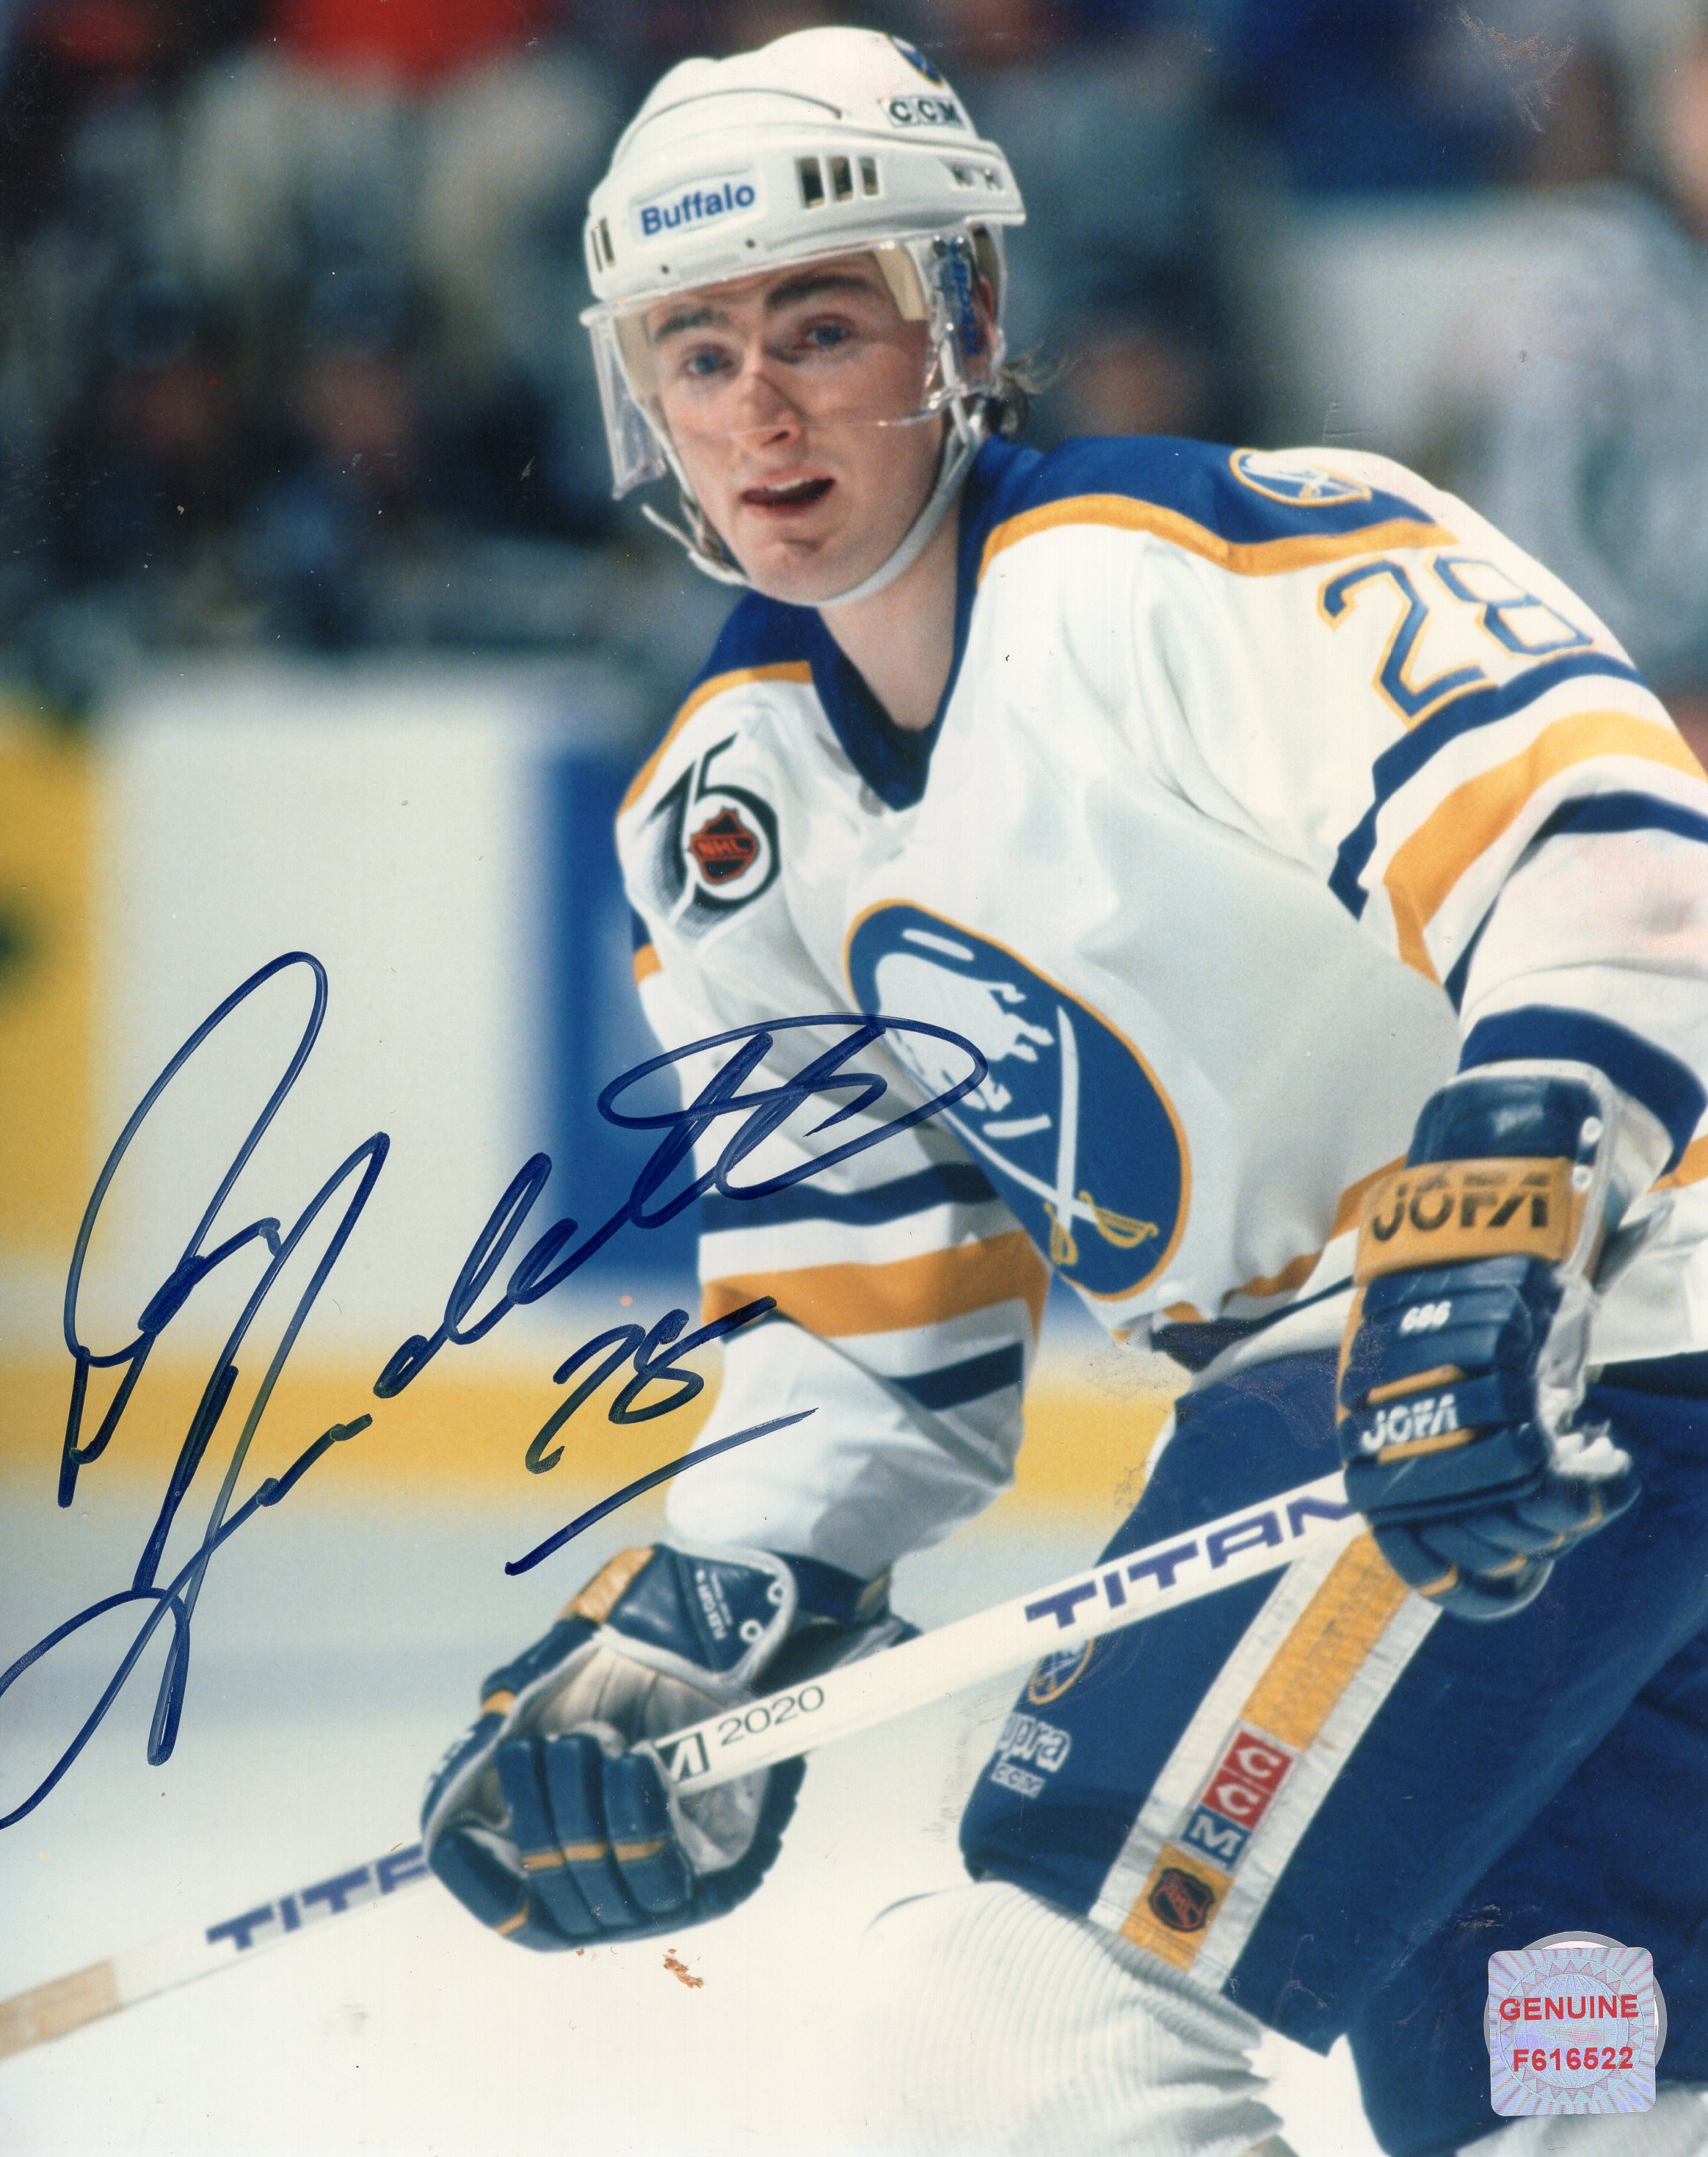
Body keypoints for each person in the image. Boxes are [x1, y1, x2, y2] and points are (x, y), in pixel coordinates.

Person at [421, 29, 1708, 2157]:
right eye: (698, 353)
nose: (761, 411)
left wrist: (1505, 1211)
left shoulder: (1182, 568)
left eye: (821, 328)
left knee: (1020, 2028)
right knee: (1590, 2100)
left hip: (1579, 1338)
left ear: (965, 318)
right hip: (1490, 1434)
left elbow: (1618, 846)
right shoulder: (726, 816)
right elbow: (868, 1336)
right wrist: (674, 1652)